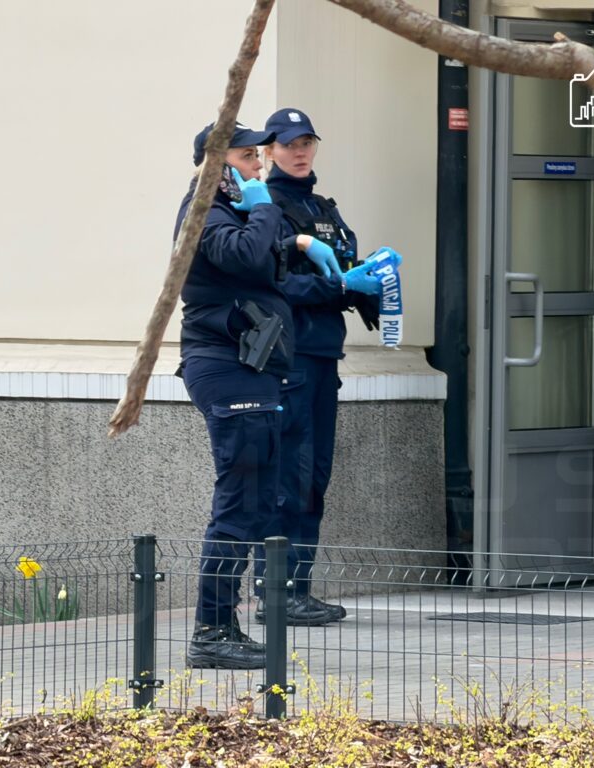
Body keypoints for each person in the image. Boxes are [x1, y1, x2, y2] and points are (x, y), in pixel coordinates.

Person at [175, 120, 338, 668]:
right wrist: (268, 204)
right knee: (240, 502)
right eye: (249, 158)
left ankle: (227, 624)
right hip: (226, 369)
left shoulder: (235, 210)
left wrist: (299, 239)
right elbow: (243, 256)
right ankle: (211, 631)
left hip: (255, 369)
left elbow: (266, 261)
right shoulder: (204, 213)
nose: (259, 166)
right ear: (219, 166)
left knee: (263, 499)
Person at [253, 108, 384, 627]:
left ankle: (297, 589)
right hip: (292, 359)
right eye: (288, 143)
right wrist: (342, 285)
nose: (300, 150)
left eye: (306, 141)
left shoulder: (323, 208)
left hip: (324, 357)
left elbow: (346, 268)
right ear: (269, 152)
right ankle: (277, 594)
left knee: (314, 477)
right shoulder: (267, 209)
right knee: (291, 476)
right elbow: (276, 284)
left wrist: (372, 275)